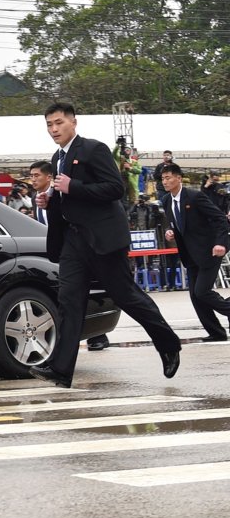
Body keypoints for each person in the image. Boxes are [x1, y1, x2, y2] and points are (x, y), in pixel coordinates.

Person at [31, 102, 181, 387]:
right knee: (69, 303)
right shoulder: (57, 157)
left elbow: (115, 188)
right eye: (49, 125)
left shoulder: (93, 149)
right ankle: (61, 370)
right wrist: (50, 201)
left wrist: (72, 187)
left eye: (59, 123)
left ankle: (168, 342)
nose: (54, 129)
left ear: (74, 122)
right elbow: (67, 198)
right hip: (73, 240)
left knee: (126, 296)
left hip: (102, 239)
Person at [159, 164, 230, 342]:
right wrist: (171, 231)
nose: (165, 182)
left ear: (179, 178)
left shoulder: (195, 196)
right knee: (195, 297)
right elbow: (179, 224)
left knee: (202, 292)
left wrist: (221, 243)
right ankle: (216, 333)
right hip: (190, 255)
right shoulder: (166, 200)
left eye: (168, 178)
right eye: (162, 179)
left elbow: (219, 218)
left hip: (209, 251)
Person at [28, 160, 52, 225]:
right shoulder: (34, 198)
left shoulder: (58, 195)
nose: (33, 180)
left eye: (36, 176)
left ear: (48, 178)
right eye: (31, 176)